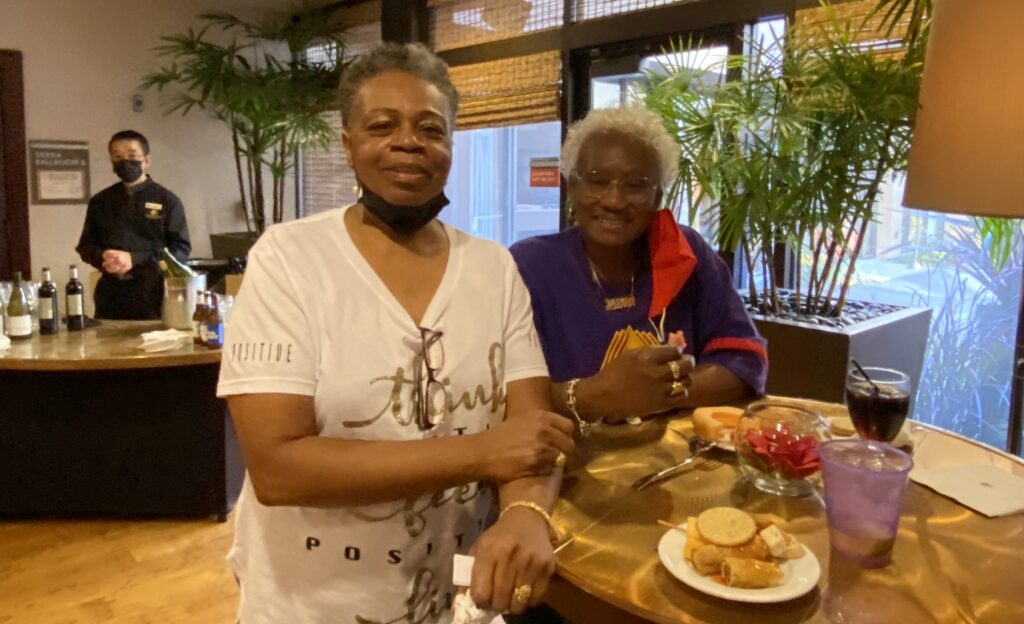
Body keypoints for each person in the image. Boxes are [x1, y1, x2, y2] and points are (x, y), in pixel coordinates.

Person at [217, 43, 575, 624]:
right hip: (313, 604)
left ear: (451, 147)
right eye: (382, 125)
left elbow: (529, 436)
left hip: (456, 597)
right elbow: (278, 469)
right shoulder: (289, 258)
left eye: (430, 128)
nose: (408, 141)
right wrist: (481, 452)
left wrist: (525, 516)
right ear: (349, 145)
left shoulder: (492, 268)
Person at [510, 105, 767, 433]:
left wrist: (663, 393)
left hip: (679, 463)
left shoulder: (684, 252)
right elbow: (501, 397)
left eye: (636, 185)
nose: (614, 200)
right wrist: (598, 397)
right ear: (571, 186)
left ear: (658, 195)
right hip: (566, 467)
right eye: (597, 181)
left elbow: (746, 363)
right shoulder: (529, 267)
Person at [76, 129, 190, 320]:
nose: (125, 162)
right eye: (118, 157)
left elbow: (180, 251)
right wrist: (104, 256)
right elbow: (86, 246)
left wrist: (134, 258)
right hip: (111, 292)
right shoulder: (101, 201)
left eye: (132, 156)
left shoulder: (167, 200)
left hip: (153, 291)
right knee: (107, 346)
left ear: (146, 161)